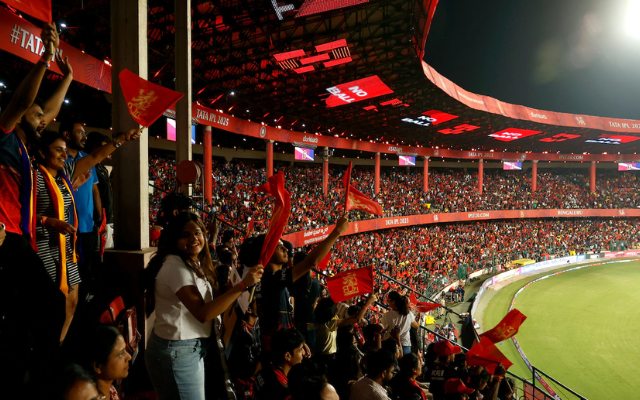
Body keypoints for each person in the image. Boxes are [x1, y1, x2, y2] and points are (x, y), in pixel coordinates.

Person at [0, 22, 74, 395]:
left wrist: (68, 77)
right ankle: (43, 379)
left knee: (19, 323)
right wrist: (45, 59)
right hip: (8, 242)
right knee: (50, 305)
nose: (44, 119)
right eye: (38, 115)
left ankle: (27, 379)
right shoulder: (4, 136)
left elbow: (46, 109)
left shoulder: (27, 148)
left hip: (22, 240)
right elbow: (22, 104)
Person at [34, 128, 141, 344]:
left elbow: (94, 157)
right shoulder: (34, 177)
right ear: (42, 152)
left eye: (65, 150)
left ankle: (58, 346)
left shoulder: (65, 174)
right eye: (58, 150)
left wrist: (120, 139)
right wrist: (49, 221)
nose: (64, 154)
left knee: (72, 301)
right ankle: (45, 348)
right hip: (44, 245)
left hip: (66, 247)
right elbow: (21, 213)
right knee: (53, 303)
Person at [142, 212, 263, 400]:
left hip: (185, 349)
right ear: (174, 239)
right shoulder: (176, 267)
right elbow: (202, 313)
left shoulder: (189, 262)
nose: (193, 238)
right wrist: (242, 285)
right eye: (185, 235)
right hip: (178, 353)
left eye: (198, 233)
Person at [238, 214, 350, 354]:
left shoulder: (272, 279)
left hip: (283, 347)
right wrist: (337, 231)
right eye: (280, 247)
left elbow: (287, 318)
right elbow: (311, 262)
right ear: (268, 253)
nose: (286, 249)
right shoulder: (272, 280)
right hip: (277, 353)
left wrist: (299, 341)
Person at [60, 118, 100, 299]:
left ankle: (83, 299)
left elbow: (94, 189)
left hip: (87, 225)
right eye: (79, 133)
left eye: (85, 133)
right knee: (69, 265)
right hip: (65, 225)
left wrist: (99, 215)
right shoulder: (59, 159)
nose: (84, 137)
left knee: (86, 266)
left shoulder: (88, 159)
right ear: (67, 134)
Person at [314, 294, 377, 359]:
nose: (337, 308)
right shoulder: (329, 324)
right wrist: (368, 302)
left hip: (317, 355)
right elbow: (357, 319)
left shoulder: (314, 321)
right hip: (327, 357)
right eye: (334, 307)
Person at [254, 328, 308, 400]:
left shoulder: (266, 368)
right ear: (288, 356)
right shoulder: (284, 392)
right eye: (301, 349)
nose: (304, 353)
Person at [84, 132, 114, 249]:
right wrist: (100, 218)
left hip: (107, 219)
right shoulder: (89, 165)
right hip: (98, 221)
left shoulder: (102, 167)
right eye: (103, 146)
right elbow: (94, 192)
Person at [85, 325, 132, 400]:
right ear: (97, 367)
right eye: (121, 354)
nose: (129, 357)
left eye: (125, 350)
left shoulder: (110, 388)